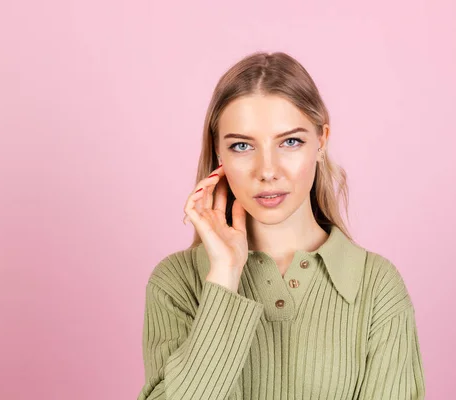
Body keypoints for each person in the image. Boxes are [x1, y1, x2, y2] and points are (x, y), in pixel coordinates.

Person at [137, 51, 426, 400]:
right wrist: (225, 276)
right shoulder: (177, 283)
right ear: (219, 154)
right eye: (242, 146)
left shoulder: (376, 286)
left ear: (321, 141)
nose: (268, 170)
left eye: (290, 141)